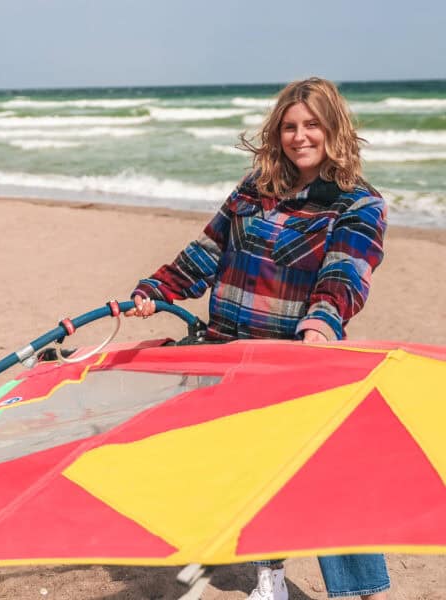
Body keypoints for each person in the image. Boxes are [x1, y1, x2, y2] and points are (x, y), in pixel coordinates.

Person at [125, 77, 390, 599]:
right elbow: (204, 253)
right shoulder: (253, 191)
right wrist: (157, 289)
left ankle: (360, 590)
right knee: (251, 463)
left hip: (293, 358)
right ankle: (269, 576)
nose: (299, 136)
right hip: (226, 350)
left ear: (333, 129)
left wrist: (320, 324)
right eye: (290, 126)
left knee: (325, 467)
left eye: (312, 124)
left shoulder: (358, 204)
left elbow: (346, 274)